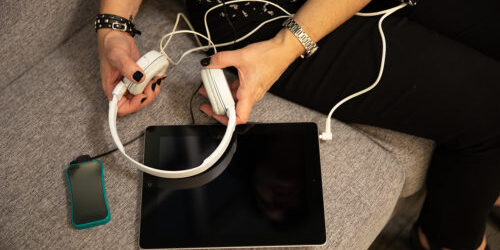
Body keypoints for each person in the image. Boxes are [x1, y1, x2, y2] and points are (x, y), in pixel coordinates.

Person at [97, 0, 500, 249]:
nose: (281, 196)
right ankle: (448, 240)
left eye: (271, 203)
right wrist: (112, 32)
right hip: (258, 17)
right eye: (283, 204)